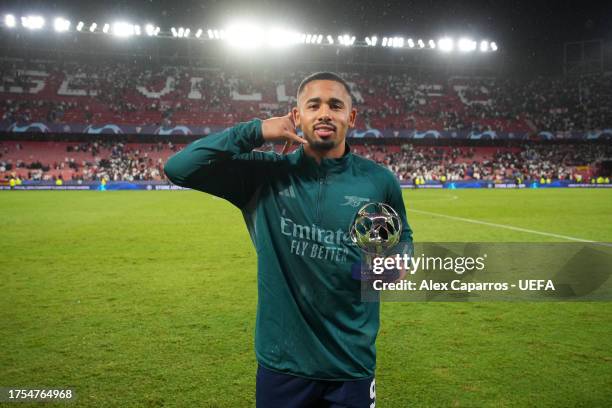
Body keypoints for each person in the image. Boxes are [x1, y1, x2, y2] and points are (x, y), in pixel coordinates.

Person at [164, 72, 413, 407]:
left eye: (335, 105)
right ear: (297, 116)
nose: (325, 113)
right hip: (283, 365)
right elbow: (180, 167)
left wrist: (398, 262)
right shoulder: (263, 175)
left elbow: (403, 240)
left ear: (351, 117)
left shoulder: (379, 181)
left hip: (350, 363)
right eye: (314, 105)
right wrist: (256, 130)